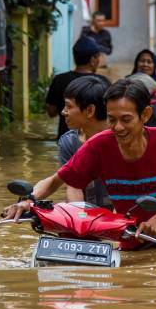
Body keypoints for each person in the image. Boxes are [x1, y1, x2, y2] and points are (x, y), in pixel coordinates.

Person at [2, 79, 156, 250]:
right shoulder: (97, 147)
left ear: (145, 114)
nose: (118, 127)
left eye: (126, 120)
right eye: (112, 119)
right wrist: (29, 201)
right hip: (132, 240)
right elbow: (55, 181)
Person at [58, 75, 112, 210]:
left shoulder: (121, 137)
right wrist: (79, 218)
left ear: (90, 110)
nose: (63, 112)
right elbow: (73, 186)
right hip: (88, 217)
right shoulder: (69, 142)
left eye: (68, 106)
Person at [45, 36, 102, 140]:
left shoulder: (59, 80)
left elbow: (51, 112)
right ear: (93, 59)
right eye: (98, 57)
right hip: (95, 141)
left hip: (65, 140)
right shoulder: (103, 82)